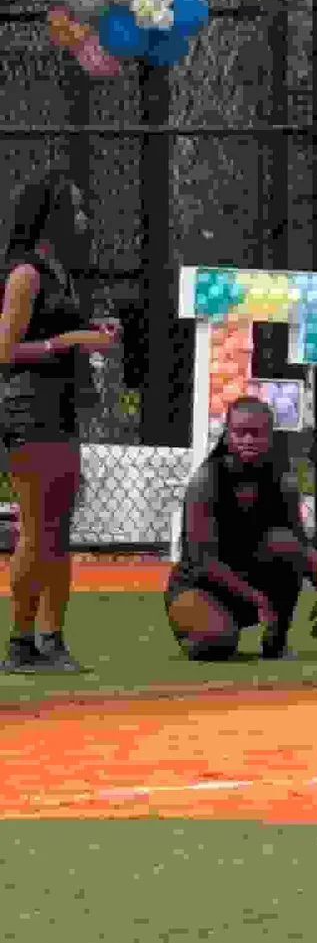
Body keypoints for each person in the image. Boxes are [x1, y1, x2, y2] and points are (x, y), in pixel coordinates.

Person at [1, 171, 120, 675]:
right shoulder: (25, 273)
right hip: (30, 410)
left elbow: (55, 329)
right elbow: (5, 351)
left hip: (61, 409)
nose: (85, 220)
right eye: (75, 208)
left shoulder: (59, 271)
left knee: (58, 530)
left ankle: (51, 638)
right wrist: (71, 342)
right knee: (37, 529)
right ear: (50, 216)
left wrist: (92, 330)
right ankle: (21, 642)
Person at [164, 395, 317, 662]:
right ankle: (201, 629)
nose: (247, 440)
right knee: (216, 644)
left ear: (270, 437)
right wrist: (257, 599)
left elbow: (300, 546)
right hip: (201, 585)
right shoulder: (207, 481)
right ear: (227, 434)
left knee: (285, 543)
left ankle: (276, 641)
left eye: (256, 434)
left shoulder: (283, 481)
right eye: (239, 433)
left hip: (251, 579)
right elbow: (204, 561)